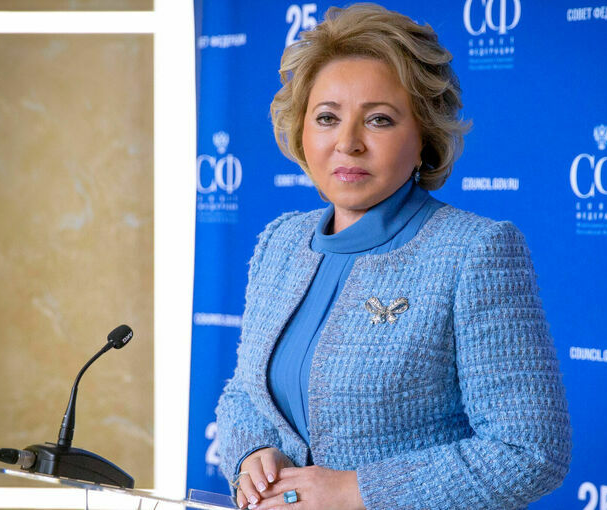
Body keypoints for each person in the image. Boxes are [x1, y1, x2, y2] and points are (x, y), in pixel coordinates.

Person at [215, 4, 571, 510]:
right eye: (327, 118)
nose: (348, 143)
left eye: (378, 120)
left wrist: (354, 491)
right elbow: (246, 394)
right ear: (301, 131)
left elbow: (529, 451)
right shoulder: (281, 242)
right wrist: (251, 452)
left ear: (424, 135)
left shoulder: (476, 251)